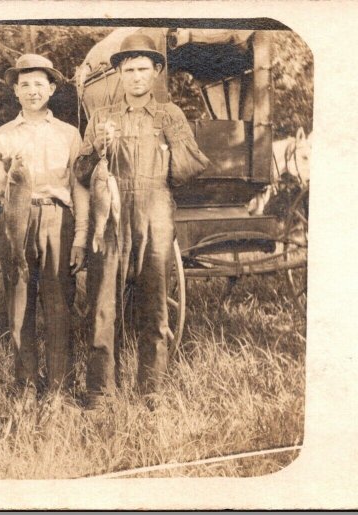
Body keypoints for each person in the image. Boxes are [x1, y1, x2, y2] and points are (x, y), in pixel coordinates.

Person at [74, 34, 210, 409]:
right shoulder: (101, 118)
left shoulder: (171, 114)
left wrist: (171, 146)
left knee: (155, 305)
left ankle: (151, 390)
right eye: (128, 70)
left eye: (143, 70)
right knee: (103, 304)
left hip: (156, 214)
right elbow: (83, 173)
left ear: (156, 72)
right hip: (111, 214)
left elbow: (187, 172)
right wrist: (99, 147)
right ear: (118, 72)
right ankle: (100, 391)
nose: (136, 77)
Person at [0, 54, 88, 399]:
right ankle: (26, 383)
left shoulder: (70, 134)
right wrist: (3, 171)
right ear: (15, 90)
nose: (32, 91)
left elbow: (78, 188)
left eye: (39, 84)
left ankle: (60, 386)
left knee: (58, 304)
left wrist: (82, 237)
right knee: (19, 302)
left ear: (52, 89)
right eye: (25, 84)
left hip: (58, 219)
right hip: (16, 218)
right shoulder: (1, 136)